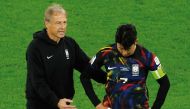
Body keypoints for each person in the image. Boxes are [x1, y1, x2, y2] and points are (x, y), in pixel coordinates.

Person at [25, 4, 107, 109]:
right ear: (47, 23)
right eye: (58, 23)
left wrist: (111, 79)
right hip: (40, 105)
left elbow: (87, 67)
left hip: (64, 104)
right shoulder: (35, 48)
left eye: (64, 22)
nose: (62, 27)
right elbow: (38, 81)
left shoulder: (70, 44)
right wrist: (56, 101)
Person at [85, 24, 170, 109]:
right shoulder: (106, 53)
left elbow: (165, 83)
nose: (124, 53)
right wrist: (97, 104)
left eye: (128, 49)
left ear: (136, 41)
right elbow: (85, 76)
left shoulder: (147, 57)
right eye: (121, 48)